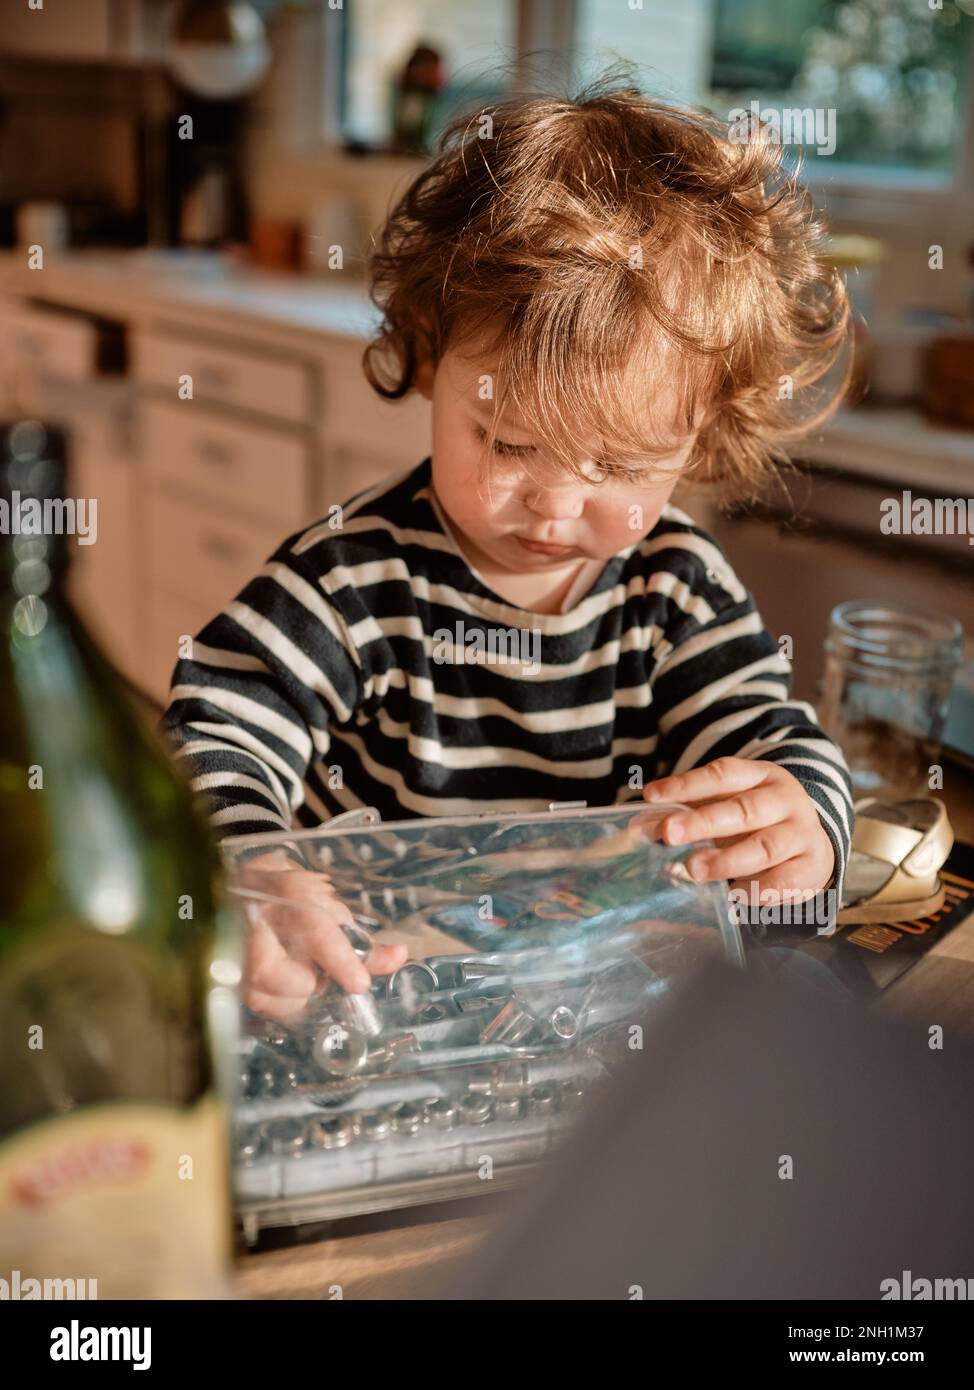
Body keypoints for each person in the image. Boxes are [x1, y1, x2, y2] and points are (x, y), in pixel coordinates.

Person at [161, 76, 854, 1022]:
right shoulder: (352, 579)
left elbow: (769, 741)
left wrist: (800, 823)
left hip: (585, 1018)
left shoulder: (677, 590)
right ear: (430, 355)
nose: (555, 503)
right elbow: (212, 730)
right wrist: (255, 869)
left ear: (702, 438)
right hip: (366, 1004)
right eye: (510, 444)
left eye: (620, 464)